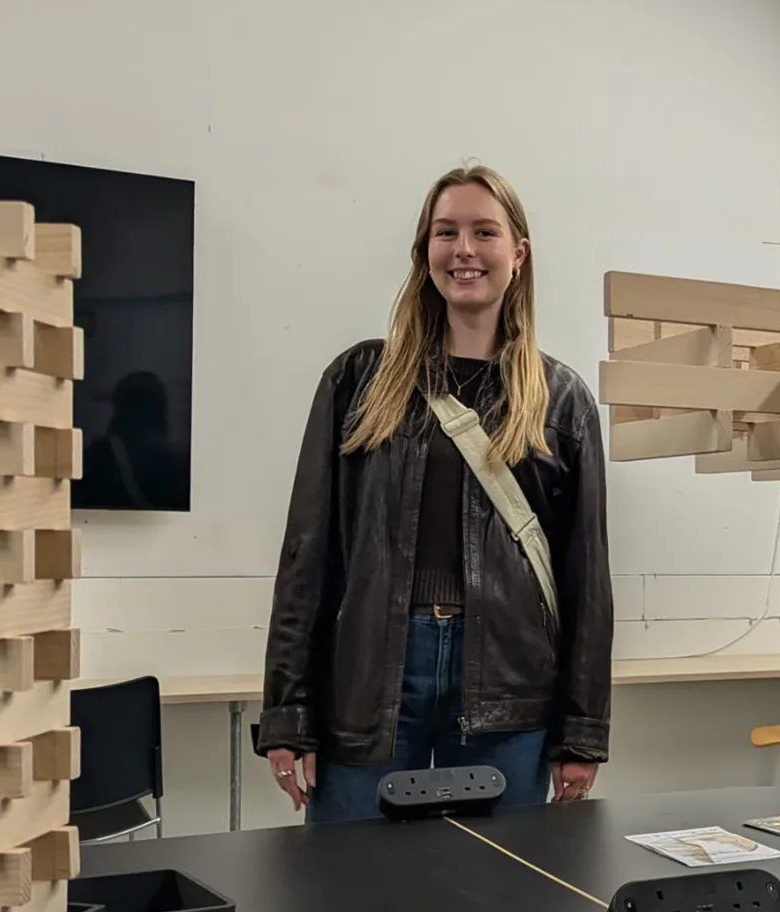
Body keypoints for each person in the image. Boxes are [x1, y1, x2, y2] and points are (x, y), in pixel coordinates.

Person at [255, 165, 612, 822]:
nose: (464, 250)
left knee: (492, 899)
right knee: (347, 892)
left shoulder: (561, 401)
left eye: (484, 232)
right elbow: (308, 557)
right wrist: (288, 715)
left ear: (518, 254)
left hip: (509, 682)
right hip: (371, 675)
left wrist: (582, 733)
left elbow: (586, 580)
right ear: (425, 253)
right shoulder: (358, 379)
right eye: (445, 233)